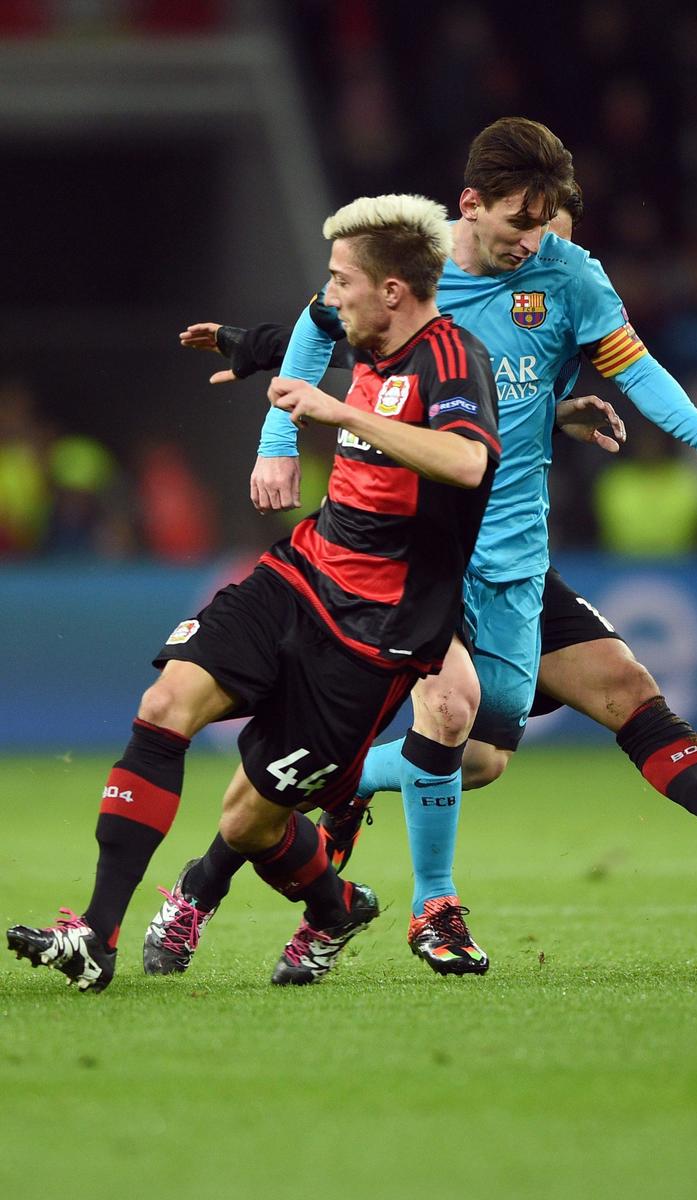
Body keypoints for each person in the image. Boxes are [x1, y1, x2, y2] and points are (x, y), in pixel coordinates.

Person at [172, 120, 697, 978]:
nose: (535, 241)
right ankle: (408, 906)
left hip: (513, 551)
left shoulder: (567, 274)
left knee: (528, 733)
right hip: (415, 551)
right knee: (446, 712)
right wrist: (275, 431)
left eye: (545, 224)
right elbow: (330, 329)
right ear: (470, 205)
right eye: (521, 223)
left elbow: (627, 368)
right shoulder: (414, 263)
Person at [5, 193, 503, 993]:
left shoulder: (450, 359)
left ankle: (335, 907)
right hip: (299, 574)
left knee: (248, 820)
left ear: (392, 292)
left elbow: (467, 461)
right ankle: (95, 935)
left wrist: (337, 411)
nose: (329, 295)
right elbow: (310, 328)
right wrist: (259, 363)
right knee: (166, 702)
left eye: (341, 281)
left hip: (373, 637)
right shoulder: (363, 325)